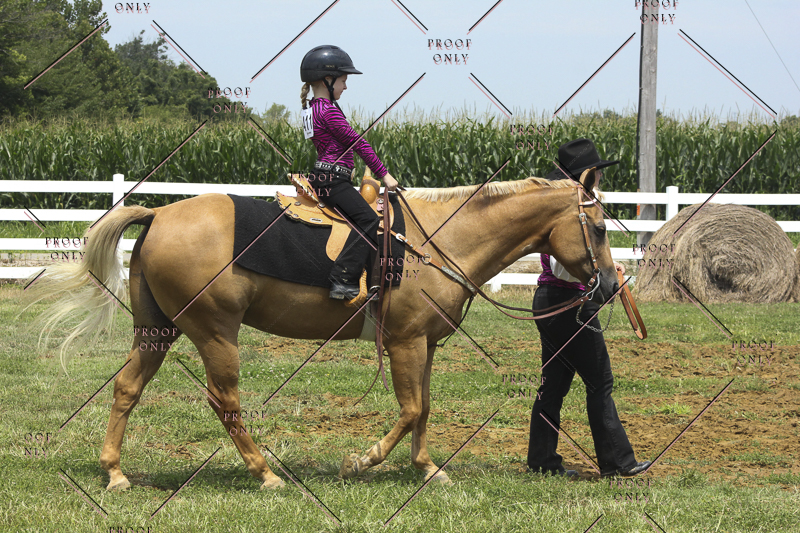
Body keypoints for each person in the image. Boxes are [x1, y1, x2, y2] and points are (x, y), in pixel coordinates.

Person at [527, 138, 651, 478]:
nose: (600, 178)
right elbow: (568, 266)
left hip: (549, 301)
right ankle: (617, 462)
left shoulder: (559, 207)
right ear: (587, 174)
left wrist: (608, 270)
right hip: (571, 305)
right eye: (597, 172)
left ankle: (542, 461)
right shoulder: (572, 212)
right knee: (599, 382)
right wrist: (603, 279)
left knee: (553, 385)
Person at [299, 45, 399, 300]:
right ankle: (343, 279)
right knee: (368, 219)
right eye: (343, 80)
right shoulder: (328, 110)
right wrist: (384, 174)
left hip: (324, 176)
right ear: (327, 80)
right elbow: (359, 143)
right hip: (333, 180)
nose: (346, 86)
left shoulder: (312, 109)